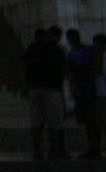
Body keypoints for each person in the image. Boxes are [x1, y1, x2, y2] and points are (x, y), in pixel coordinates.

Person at [21, 28, 68, 161]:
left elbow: (25, 66)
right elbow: (63, 69)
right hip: (52, 88)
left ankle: (37, 151)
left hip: (35, 88)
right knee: (55, 123)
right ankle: (55, 151)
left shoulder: (31, 48)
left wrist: (26, 85)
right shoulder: (56, 49)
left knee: (36, 122)